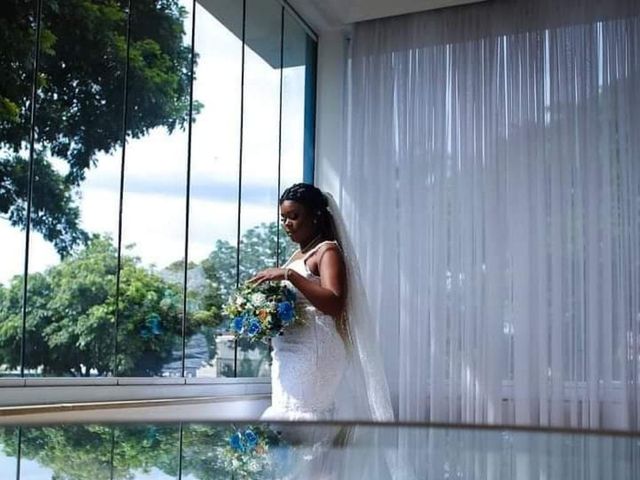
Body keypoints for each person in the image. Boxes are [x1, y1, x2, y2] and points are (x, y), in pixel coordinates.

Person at [250, 183, 394, 422]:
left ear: (316, 216)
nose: (287, 224)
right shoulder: (297, 255)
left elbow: (335, 303)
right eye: (283, 218)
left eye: (294, 217)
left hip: (314, 350)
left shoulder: (327, 252)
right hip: (288, 351)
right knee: (286, 416)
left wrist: (289, 276)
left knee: (301, 418)